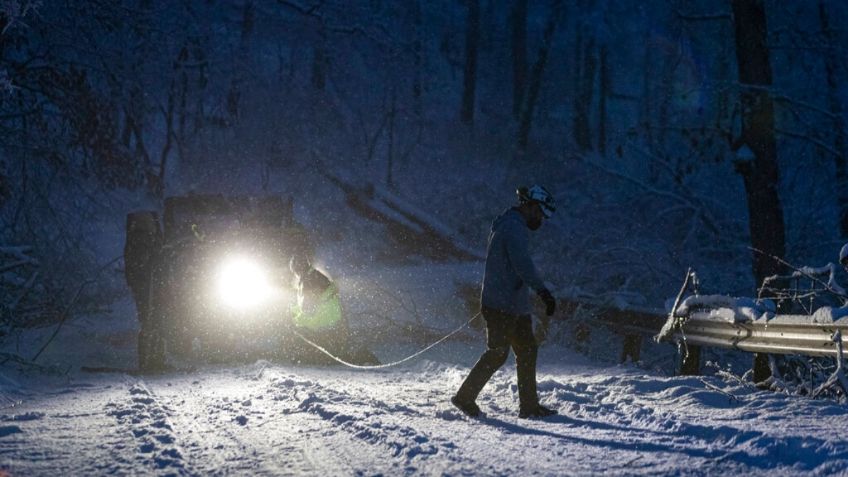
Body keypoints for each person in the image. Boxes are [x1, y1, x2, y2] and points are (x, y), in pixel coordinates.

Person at [452, 185, 559, 419]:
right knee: (498, 353)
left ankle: (529, 407)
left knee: (527, 350)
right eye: (540, 213)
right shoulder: (512, 228)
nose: (541, 219)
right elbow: (522, 264)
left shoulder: (513, 225)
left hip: (514, 304)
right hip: (501, 305)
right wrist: (543, 292)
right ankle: (464, 397)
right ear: (530, 206)